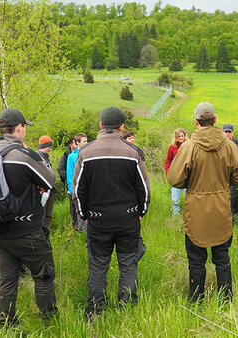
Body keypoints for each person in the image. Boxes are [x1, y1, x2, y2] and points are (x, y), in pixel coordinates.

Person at [73, 106, 150, 316]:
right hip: (128, 220)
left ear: (100, 125)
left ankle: (96, 310)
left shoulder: (85, 153)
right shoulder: (133, 152)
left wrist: (84, 216)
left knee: (98, 266)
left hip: (98, 221)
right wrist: (141, 212)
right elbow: (143, 188)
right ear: (122, 126)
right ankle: (127, 310)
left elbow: (78, 191)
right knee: (128, 265)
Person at [167, 102, 238, 303]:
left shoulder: (189, 147)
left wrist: (191, 182)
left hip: (196, 211)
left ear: (196, 122)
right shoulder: (229, 146)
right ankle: (226, 299)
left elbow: (174, 179)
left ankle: (196, 300)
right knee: (222, 258)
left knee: (196, 260)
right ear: (215, 120)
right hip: (221, 209)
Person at [0, 108, 57, 327]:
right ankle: (49, 320)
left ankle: (6, 324)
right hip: (27, 230)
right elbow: (50, 181)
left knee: (6, 281)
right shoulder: (23, 155)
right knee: (43, 274)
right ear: (19, 128)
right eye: (24, 126)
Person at [223, 123, 238, 223]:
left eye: (229, 132)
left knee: (234, 197)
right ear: (222, 132)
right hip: (222, 176)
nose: (228, 134)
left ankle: (235, 219)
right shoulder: (219, 144)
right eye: (226, 132)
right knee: (222, 198)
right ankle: (223, 218)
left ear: (233, 133)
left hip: (235, 176)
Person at [67, 133, 88, 232]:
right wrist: (72, 190)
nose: (86, 143)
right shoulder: (72, 157)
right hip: (77, 188)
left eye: (86, 141)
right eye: (84, 141)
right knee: (79, 211)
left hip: (88, 188)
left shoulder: (89, 154)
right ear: (77, 143)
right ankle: (82, 232)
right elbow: (70, 174)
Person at [165, 128, 188, 216]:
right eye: (179, 136)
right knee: (175, 197)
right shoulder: (172, 147)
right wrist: (168, 173)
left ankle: (187, 215)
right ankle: (175, 216)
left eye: (182, 136)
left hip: (186, 175)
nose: (181, 138)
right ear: (176, 137)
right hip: (175, 175)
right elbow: (168, 161)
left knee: (188, 197)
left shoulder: (188, 146)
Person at [37, 135, 55, 230]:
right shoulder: (38, 158)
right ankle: (41, 233)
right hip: (42, 192)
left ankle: (47, 231)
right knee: (42, 214)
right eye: (49, 147)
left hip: (50, 190)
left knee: (49, 214)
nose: (50, 149)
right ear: (43, 146)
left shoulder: (46, 158)